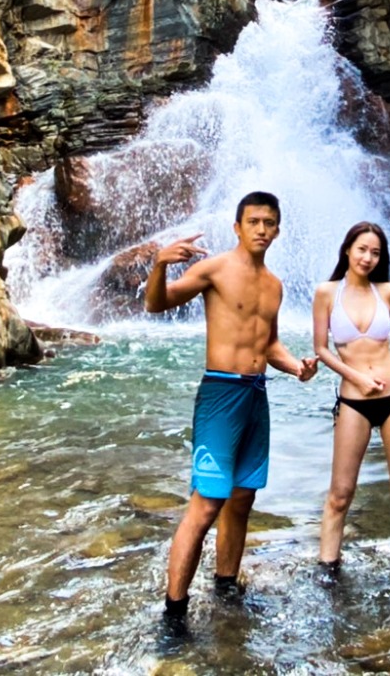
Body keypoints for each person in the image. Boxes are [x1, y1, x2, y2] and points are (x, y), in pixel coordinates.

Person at [144, 191, 318, 637]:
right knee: (205, 506)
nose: (262, 229)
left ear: (277, 230)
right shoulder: (215, 269)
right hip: (221, 395)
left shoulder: (275, 284)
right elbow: (156, 305)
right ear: (237, 226)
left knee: (243, 498)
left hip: (256, 395)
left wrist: (297, 366)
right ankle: (174, 614)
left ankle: (225, 586)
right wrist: (161, 264)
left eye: (269, 223)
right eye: (254, 221)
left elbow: (269, 343)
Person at [311, 221, 390, 576]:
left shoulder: (387, 292)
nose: (368, 257)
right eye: (362, 249)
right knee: (340, 493)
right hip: (353, 400)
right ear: (347, 250)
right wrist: (356, 376)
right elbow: (322, 350)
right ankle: (328, 570)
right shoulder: (327, 292)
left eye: (375, 252)